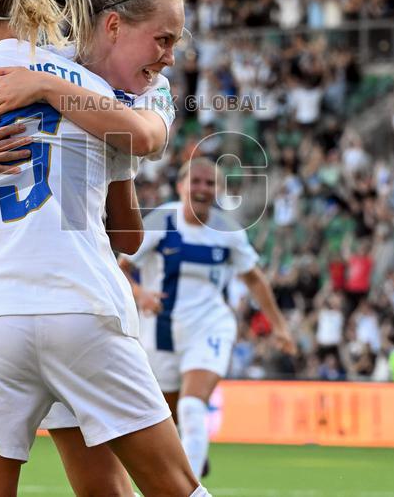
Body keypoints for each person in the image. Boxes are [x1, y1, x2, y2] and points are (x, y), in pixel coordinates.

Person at [0, 0, 209, 496]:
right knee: (169, 487)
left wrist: (44, 88)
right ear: (115, 25)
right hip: (80, 306)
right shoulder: (107, 96)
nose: (170, 56)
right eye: (164, 39)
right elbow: (127, 228)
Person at [118, 157, 296, 479]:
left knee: (191, 406)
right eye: (196, 182)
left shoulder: (227, 231)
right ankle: (192, 454)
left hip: (209, 325)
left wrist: (280, 326)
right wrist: (140, 294)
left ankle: (191, 482)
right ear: (180, 186)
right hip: (160, 332)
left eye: (210, 183)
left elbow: (253, 278)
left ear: (218, 190)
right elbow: (121, 268)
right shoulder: (162, 220)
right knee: (164, 419)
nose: (202, 189)